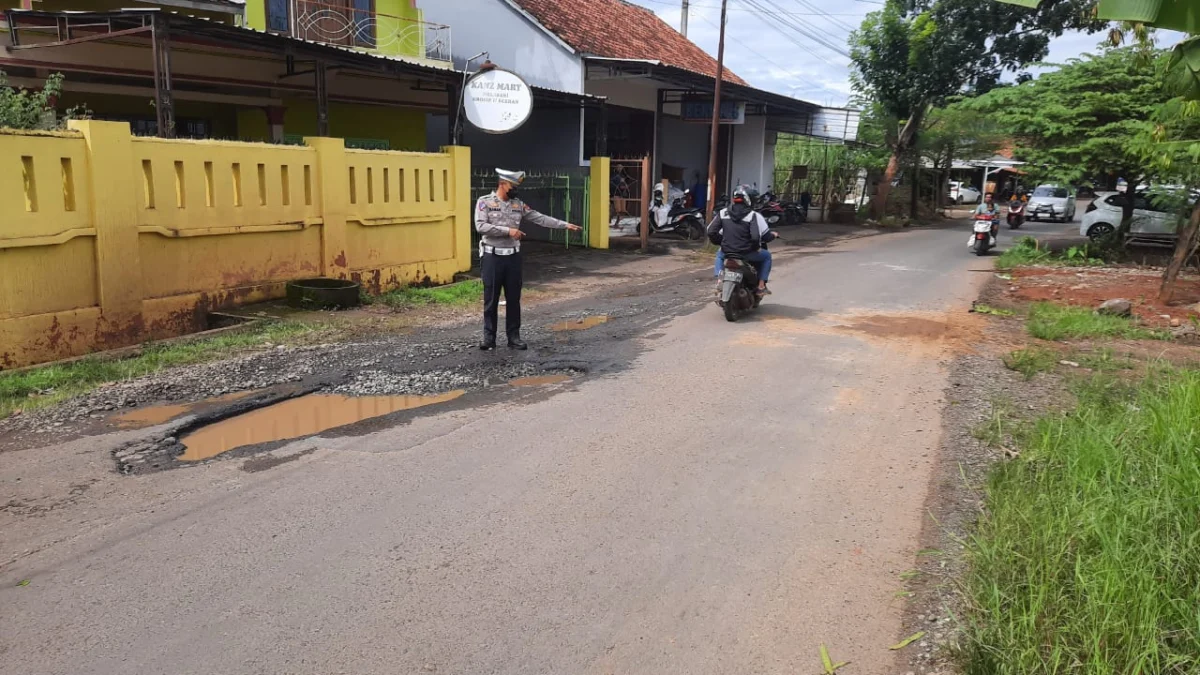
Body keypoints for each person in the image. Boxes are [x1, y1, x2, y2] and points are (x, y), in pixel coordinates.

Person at [474, 169, 582, 350]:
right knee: (491, 299)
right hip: (492, 256)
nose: (515, 189)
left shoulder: (518, 204)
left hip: (513, 258)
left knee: (514, 299)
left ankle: (513, 337)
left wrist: (564, 225)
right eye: (513, 186)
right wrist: (508, 231)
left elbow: (539, 218)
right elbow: (480, 226)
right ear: (502, 183)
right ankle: (489, 338)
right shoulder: (484, 202)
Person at [709, 185, 777, 295]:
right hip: (747, 253)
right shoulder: (753, 215)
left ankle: (719, 280)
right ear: (749, 200)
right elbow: (760, 237)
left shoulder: (723, 213)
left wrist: (721, 243)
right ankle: (761, 286)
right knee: (767, 256)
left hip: (727, 252)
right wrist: (757, 247)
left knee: (719, 255)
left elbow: (711, 231)